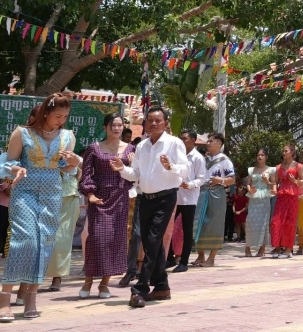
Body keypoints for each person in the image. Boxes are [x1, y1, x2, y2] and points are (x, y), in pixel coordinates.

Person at [0, 93, 82, 321]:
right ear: (45, 112)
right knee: (25, 241)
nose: (61, 120)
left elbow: (65, 169)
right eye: (58, 115)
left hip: (53, 193)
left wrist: (73, 162)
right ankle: (4, 296)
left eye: (65, 116)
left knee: (44, 242)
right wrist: (16, 169)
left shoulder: (68, 136)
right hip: (25, 192)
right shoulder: (22, 133)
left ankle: (31, 297)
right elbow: (8, 162)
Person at [111, 105, 188, 308]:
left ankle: (140, 289)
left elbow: (185, 170)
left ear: (166, 123)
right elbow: (136, 174)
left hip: (165, 198)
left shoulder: (174, 143)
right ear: (145, 123)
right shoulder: (142, 146)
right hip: (145, 198)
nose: (153, 123)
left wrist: (170, 166)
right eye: (150, 120)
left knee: (153, 241)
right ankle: (162, 286)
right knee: (150, 243)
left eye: (158, 120)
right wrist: (122, 169)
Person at [79, 113, 134, 299]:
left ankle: (104, 284)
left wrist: (134, 165)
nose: (117, 128)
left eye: (120, 125)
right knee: (96, 239)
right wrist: (90, 194)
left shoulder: (131, 149)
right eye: (113, 125)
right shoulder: (94, 148)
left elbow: (137, 174)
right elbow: (86, 174)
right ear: (105, 127)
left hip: (120, 197)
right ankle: (88, 281)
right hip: (99, 198)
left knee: (114, 240)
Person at [193, 133, 235, 267]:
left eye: (211, 141)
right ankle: (200, 256)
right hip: (201, 192)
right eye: (208, 141)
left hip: (217, 193)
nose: (208, 143)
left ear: (219, 144)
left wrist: (220, 180)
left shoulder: (225, 160)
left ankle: (211, 259)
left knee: (215, 224)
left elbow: (232, 180)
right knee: (199, 222)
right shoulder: (203, 159)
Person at [171, 129, 207, 272]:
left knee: (187, 230)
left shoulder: (197, 157)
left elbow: (202, 178)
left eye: (185, 138)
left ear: (193, 140)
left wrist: (190, 184)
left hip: (188, 198)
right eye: (181, 138)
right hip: (174, 196)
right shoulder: (176, 156)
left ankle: (184, 261)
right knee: (168, 228)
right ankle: (169, 258)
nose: (182, 141)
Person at [46, 164, 82, 290]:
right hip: (45, 198)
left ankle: (57, 276)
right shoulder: (41, 153)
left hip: (69, 198)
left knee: (62, 239)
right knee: (42, 238)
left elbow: (81, 173)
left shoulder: (73, 157)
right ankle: (33, 278)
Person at [269, 144, 301, 258]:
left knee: (290, 222)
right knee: (276, 221)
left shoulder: (298, 166)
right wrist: (273, 189)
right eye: (283, 151)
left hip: (292, 196)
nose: (283, 153)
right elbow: (275, 182)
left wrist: (295, 181)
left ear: (292, 152)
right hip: (281, 196)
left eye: (286, 151)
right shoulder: (278, 167)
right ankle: (277, 248)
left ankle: (288, 250)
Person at [245, 148, 274, 258]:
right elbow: (248, 183)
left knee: (264, 223)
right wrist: (249, 189)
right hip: (253, 197)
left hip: (265, 198)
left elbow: (273, 185)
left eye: (262, 155)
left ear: (266, 157)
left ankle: (262, 248)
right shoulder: (251, 170)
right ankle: (247, 248)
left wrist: (267, 182)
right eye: (258, 155)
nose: (260, 157)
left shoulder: (271, 170)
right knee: (250, 221)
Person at [0, 178, 11, 259]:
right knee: (0, 229)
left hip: (12, 207)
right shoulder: (3, 178)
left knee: (8, 230)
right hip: (2, 206)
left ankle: (6, 251)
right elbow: (8, 191)